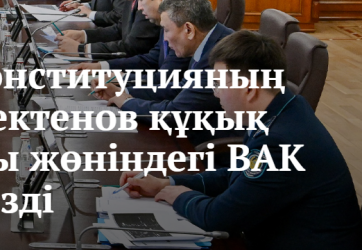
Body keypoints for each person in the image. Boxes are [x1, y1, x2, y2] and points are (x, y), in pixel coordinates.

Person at [118, 31, 362, 249]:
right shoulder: (283, 107)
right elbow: (237, 174)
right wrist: (166, 183)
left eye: (219, 84)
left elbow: (218, 217)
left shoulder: (278, 142)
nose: (215, 93)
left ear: (249, 89)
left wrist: (179, 195)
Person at [93, 0, 235, 142]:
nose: (165, 40)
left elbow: (175, 114)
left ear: (188, 29)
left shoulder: (220, 55)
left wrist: (127, 102)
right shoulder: (208, 42)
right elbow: (178, 90)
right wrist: (123, 92)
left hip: (208, 146)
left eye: (167, 30)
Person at [73, 0, 189, 75]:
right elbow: (151, 59)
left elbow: (164, 79)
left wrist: (120, 78)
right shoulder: (166, 23)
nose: (139, 7)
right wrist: (101, 67)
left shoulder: (181, 28)